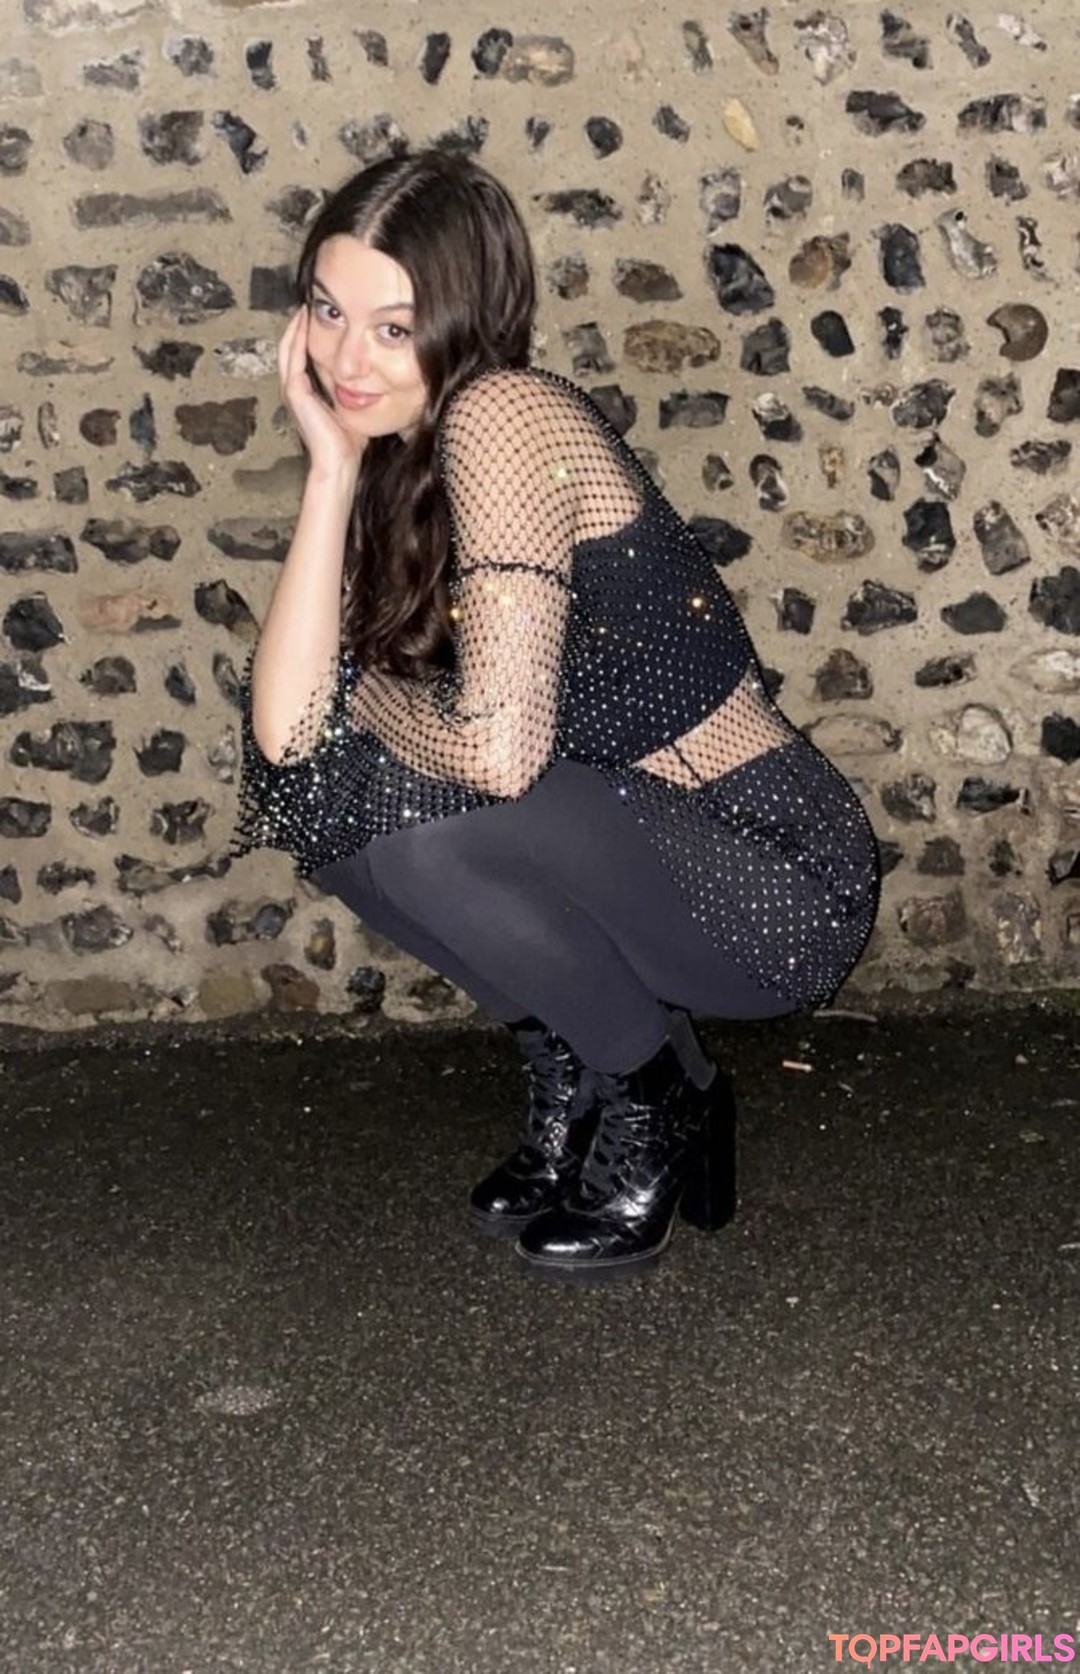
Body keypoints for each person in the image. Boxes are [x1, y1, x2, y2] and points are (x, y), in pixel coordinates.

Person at [234, 150, 881, 1285]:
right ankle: (576, 1058)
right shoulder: (390, 456)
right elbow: (290, 741)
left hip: (771, 871)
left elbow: (497, 756)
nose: (346, 359)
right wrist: (329, 472)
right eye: (328, 312)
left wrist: (368, 701)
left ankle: (660, 1096)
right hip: (637, 853)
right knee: (326, 806)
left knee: (429, 827)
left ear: (466, 323)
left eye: (395, 328)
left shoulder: (504, 416)